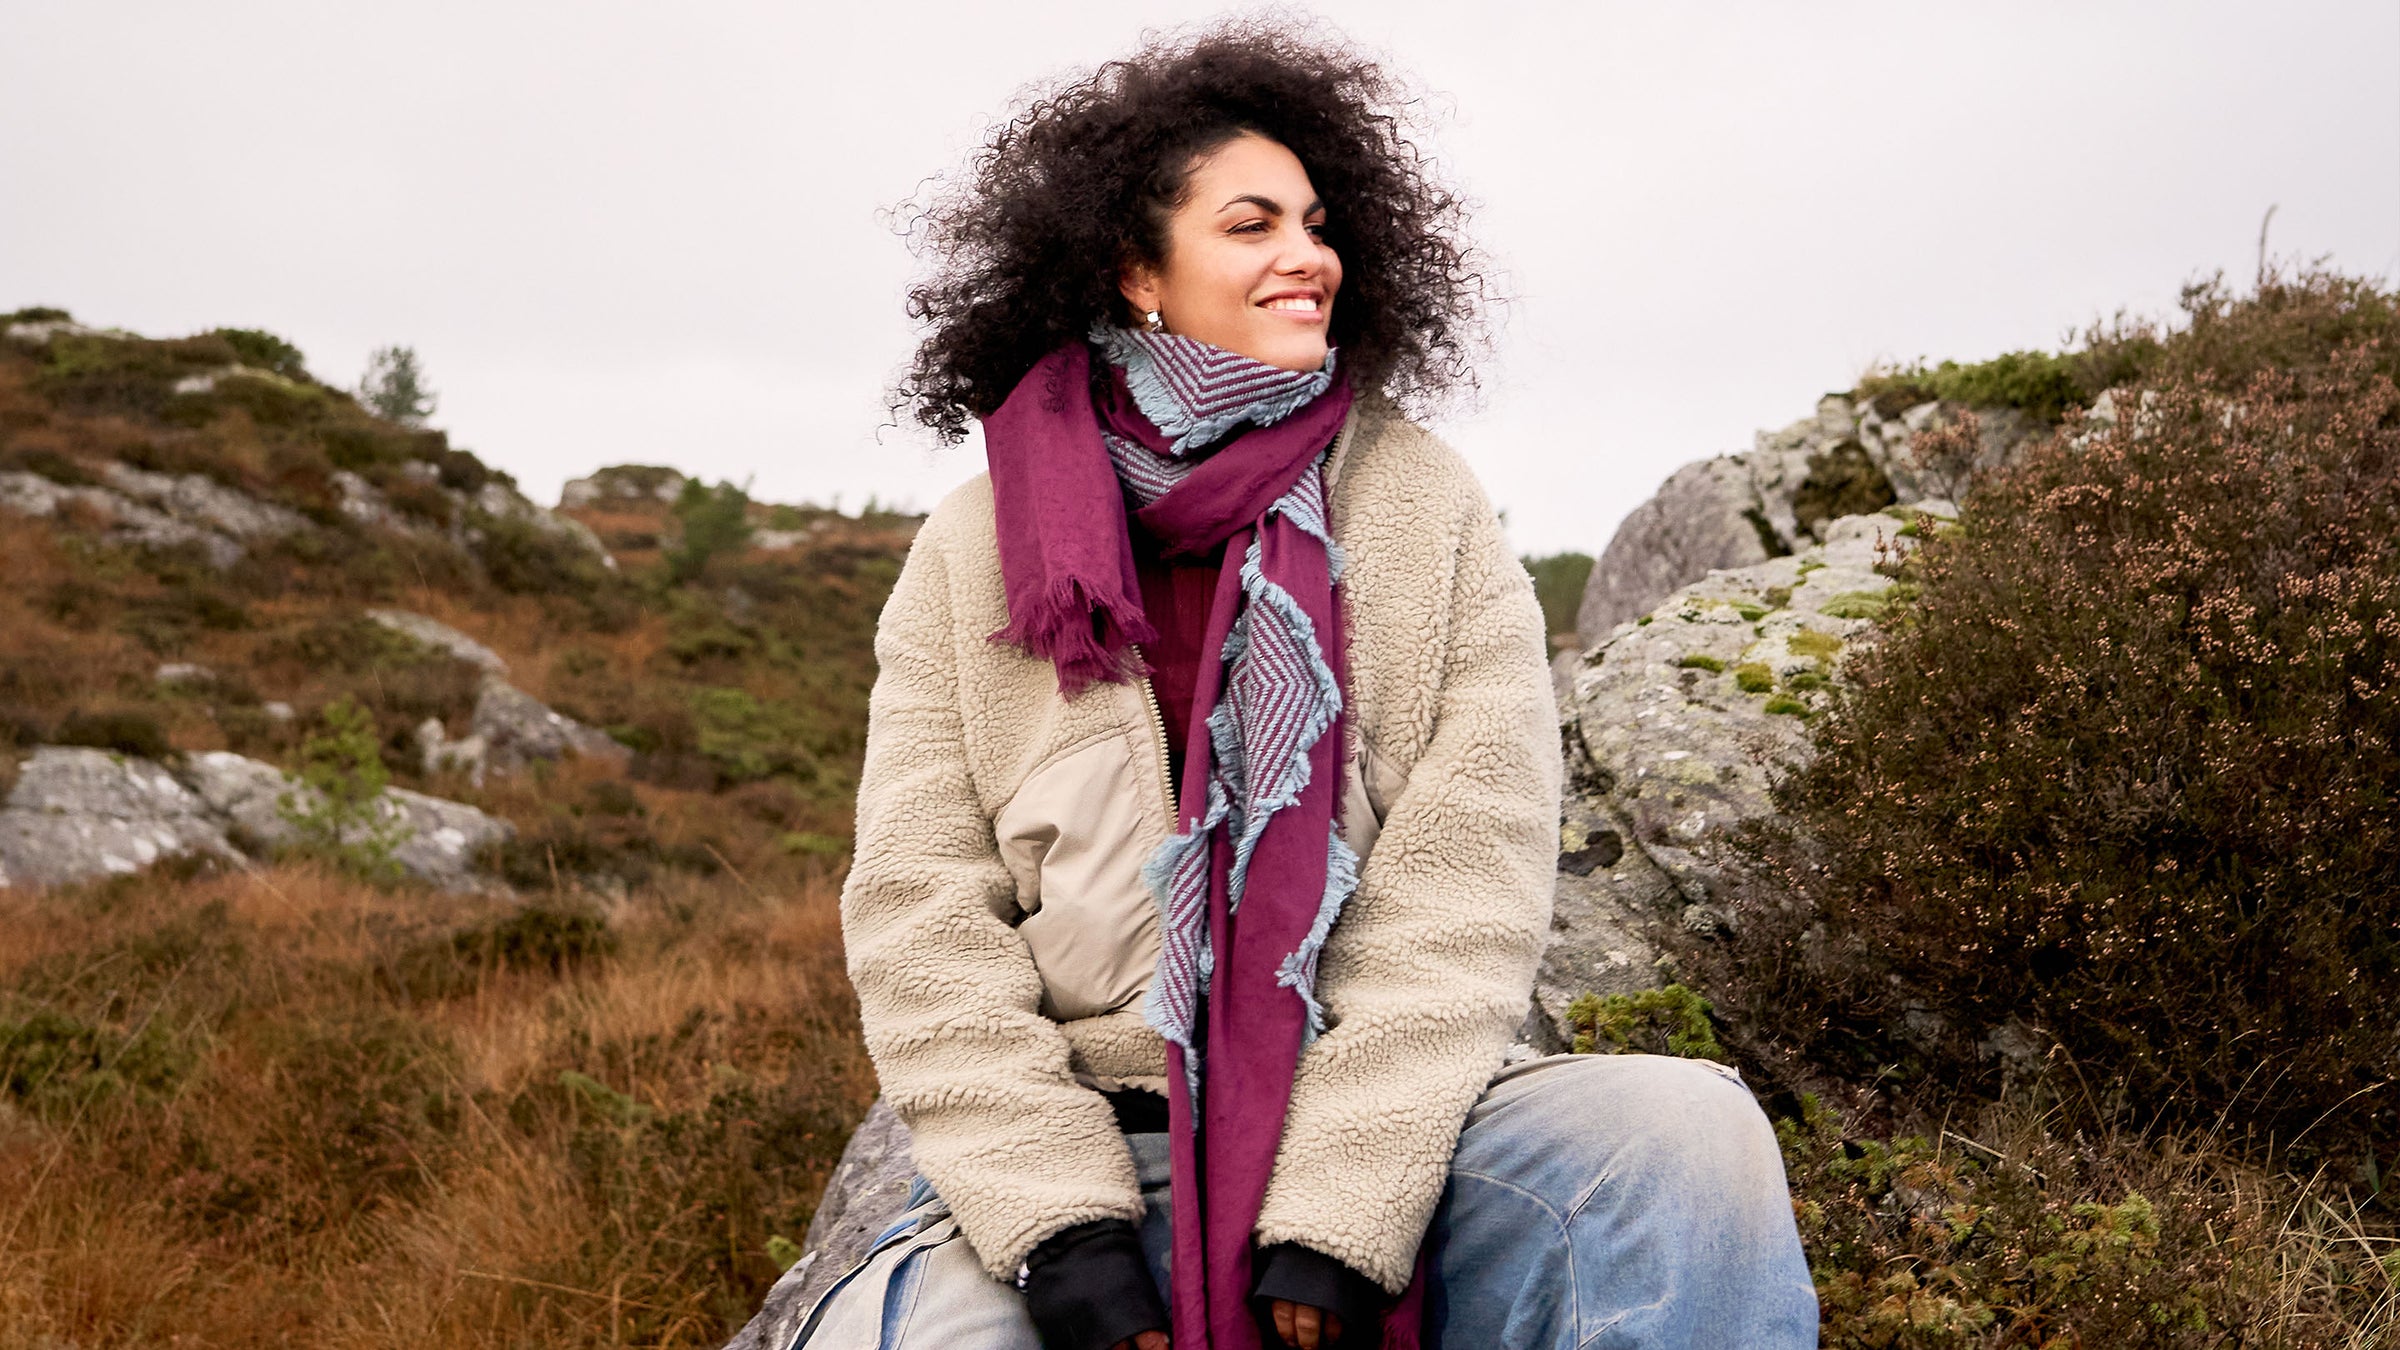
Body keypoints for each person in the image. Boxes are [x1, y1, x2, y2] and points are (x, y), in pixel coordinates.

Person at [793, 19, 1817, 1350]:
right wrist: (1062, 1234)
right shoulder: (975, 546)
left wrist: (1344, 1218)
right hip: (1085, 1151)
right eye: (1252, 224)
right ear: (1137, 270)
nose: (1308, 256)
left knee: (1681, 1133)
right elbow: (922, 921)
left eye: (1322, 224)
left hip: (1373, 1133)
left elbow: (1462, 898)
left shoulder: (1425, 508)